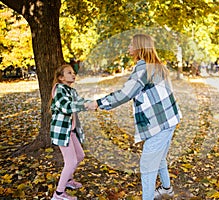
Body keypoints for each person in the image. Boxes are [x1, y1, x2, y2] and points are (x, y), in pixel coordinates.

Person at [86, 34, 182, 200]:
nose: (128, 47)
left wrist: (98, 103)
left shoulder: (144, 67)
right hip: (169, 120)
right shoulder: (157, 66)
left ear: (139, 47)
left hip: (159, 124)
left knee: (147, 167)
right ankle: (167, 189)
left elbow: (125, 93)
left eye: (131, 44)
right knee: (159, 159)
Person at [50, 64, 90, 200]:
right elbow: (66, 107)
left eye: (73, 73)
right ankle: (59, 194)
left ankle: (68, 180)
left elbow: (80, 102)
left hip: (70, 130)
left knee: (80, 155)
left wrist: (96, 103)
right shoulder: (59, 89)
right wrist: (85, 105)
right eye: (69, 73)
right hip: (62, 131)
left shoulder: (71, 91)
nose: (73, 75)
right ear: (61, 77)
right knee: (71, 161)